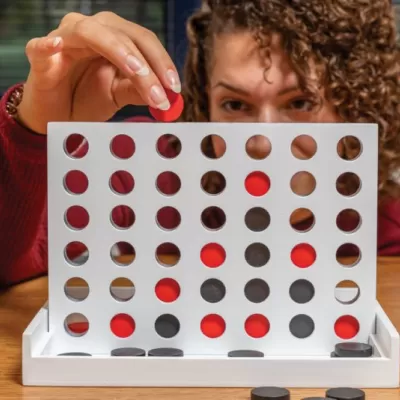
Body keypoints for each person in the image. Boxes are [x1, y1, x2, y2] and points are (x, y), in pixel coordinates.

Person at [1, 0, 400, 287]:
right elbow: (14, 259)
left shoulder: (386, 219)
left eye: (300, 102)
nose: (260, 142)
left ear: (354, 102)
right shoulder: (146, 172)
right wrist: (35, 129)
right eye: (235, 104)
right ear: (204, 103)